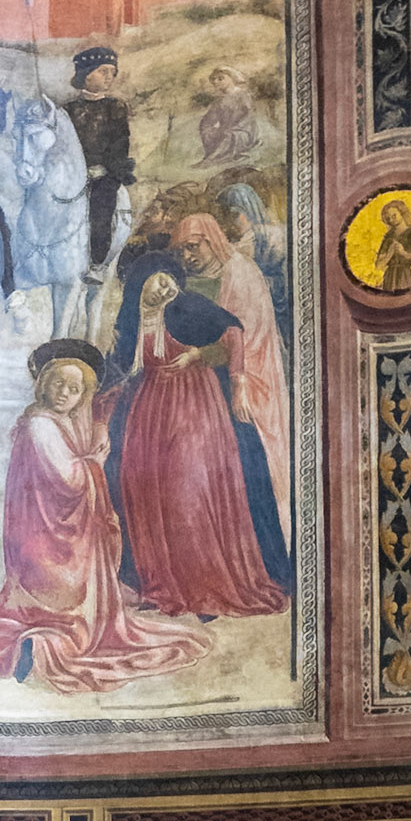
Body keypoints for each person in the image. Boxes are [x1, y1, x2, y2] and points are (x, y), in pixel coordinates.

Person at [0, 341, 211, 693]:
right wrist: (93, 462)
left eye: (74, 389)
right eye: (59, 384)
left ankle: (42, 642)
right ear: (43, 384)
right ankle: (46, 645)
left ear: (83, 396)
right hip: (49, 545)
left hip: (50, 536)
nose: (65, 393)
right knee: (78, 623)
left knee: (85, 614)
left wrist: (93, 447)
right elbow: (68, 479)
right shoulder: (39, 425)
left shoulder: (55, 421)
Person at [103, 255, 288, 622]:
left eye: (169, 278)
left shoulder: (188, 306)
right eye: (157, 280)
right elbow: (122, 370)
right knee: (149, 492)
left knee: (191, 491)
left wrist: (208, 362)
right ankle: (166, 584)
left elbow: (233, 332)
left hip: (195, 404)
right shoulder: (132, 322)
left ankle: (206, 584)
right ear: (141, 285)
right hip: (150, 411)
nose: (166, 285)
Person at [173, 213, 290, 546]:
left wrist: (228, 376)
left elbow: (246, 333)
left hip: (240, 380)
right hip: (200, 388)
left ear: (212, 240)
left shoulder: (240, 272)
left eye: (193, 248)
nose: (187, 257)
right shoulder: (184, 281)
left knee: (243, 465)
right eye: (182, 251)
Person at [64, 46, 134, 279]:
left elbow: (120, 144)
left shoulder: (115, 108)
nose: (108, 77)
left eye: (111, 72)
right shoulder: (67, 110)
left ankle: (96, 263)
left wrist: (103, 168)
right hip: (73, 171)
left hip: (103, 172)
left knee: (101, 207)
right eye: (102, 71)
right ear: (85, 74)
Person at [220, 183, 290, 341]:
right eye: (226, 217)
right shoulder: (234, 245)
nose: (231, 223)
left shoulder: (274, 236)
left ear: (249, 209)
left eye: (235, 215)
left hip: (276, 312)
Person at [197, 67, 261, 166]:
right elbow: (210, 118)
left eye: (220, 79)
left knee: (229, 135)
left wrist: (233, 129)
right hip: (225, 129)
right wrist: (207, 127)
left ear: (232, 78)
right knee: (209, 132)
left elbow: (248, 118)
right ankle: (211, 158)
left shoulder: (243, 95)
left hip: (243, 131)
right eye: (213, 79)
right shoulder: (219, 100)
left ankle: (211, 160)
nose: (215, 82)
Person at [375, 198, 411, 292]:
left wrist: (403, 253)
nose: (391, 220)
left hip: (405, 276)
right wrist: (389, 253)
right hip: (389, 277)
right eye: (388, 218)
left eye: (394, 216)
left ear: (402, 213)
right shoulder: (389, 237)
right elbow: (378, 265)